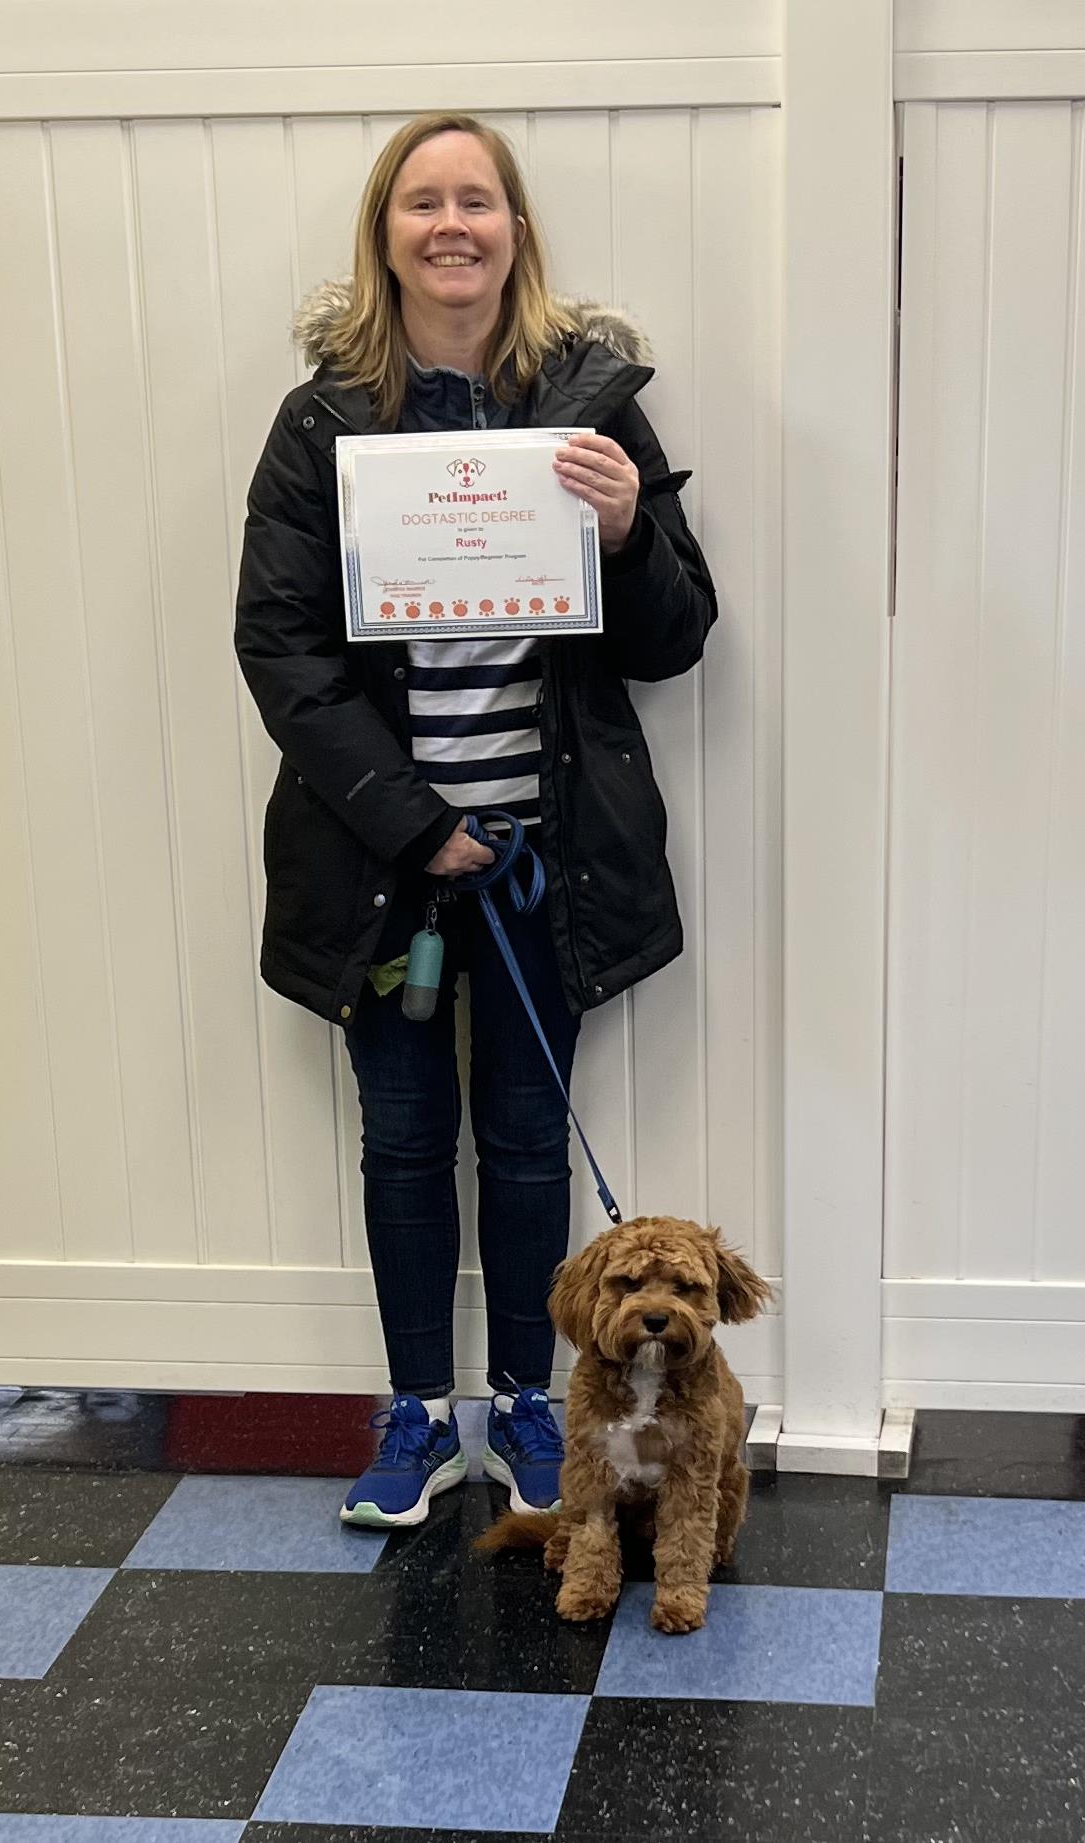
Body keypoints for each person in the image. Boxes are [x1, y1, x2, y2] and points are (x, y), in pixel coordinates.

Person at [234, 112, 717, 1529]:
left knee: (520, 1142)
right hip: (385, 868)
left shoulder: (594, 404)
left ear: (516, 230)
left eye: (478, 201)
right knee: (399, 1142)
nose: (452, 224)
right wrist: (408, 820)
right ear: (385, 236)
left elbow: (673, 642)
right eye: (422, 202)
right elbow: (280, 651)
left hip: (543, 863)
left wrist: (630, 535)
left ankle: (523, 1402)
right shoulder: (320, 419)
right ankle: (413, 1414)